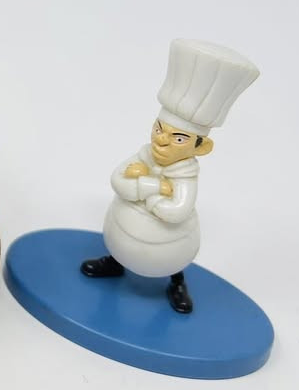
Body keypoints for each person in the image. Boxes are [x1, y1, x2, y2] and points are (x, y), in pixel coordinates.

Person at [81, 39, 259, 313]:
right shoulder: (143, 155)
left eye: (178, 138)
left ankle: (176, 282)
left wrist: (144, 192)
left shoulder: (185, 177)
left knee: (173, 260)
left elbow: (177, 211)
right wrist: (156, 187)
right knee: (120, 245)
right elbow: (118, 181)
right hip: (121, 227)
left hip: (171, 245)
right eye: (158, 129)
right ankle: (116, 262)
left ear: (201, 147)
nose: (161, 141)